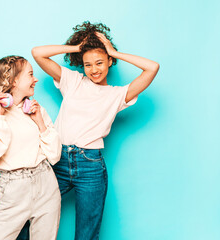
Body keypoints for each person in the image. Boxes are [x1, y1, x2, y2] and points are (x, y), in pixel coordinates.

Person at [28, 21, 159, 240]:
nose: (94, 69)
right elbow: (38, 53)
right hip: (57, 158)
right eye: (88, 64)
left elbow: (152, 67)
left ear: (109, 61)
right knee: (30, 215)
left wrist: (114, 51)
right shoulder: (73, 81)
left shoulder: (118, 94)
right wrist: (76, 48)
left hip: (90, 165)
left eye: (99, 62)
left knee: (87, 232)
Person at [0, 55, 62, 240]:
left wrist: (39, 121)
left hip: (46, 183)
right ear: (15, 81)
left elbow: (55, 155)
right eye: (30, 74)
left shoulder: (35, 109)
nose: (36, 79)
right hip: (15, 187)